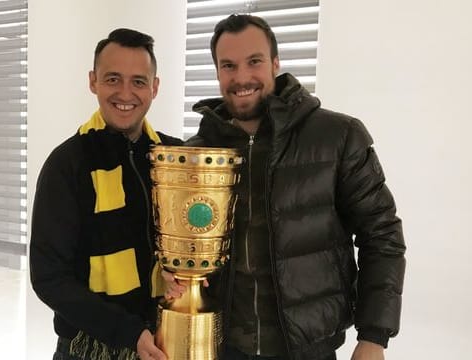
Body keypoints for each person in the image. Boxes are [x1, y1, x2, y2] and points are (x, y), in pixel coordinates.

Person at [162, 14, 406, 360]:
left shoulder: (338, 137)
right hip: (223, 348)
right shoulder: (195, 155)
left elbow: (382, 235)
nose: (242, 77)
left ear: (275, 63)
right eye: (228, 65)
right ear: (217, 71)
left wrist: (373, 337)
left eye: (254, 61)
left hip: (309, 350)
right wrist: (169, 274)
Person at [30, 28, 182, 360]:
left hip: (165, 341)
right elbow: (48, 276)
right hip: (87, 348)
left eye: (139, 81)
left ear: (155, 88)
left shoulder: (174, 159)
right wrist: (128, 332)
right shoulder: (66, 164)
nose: (125, 93)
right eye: (113, 79)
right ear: (93, 81)